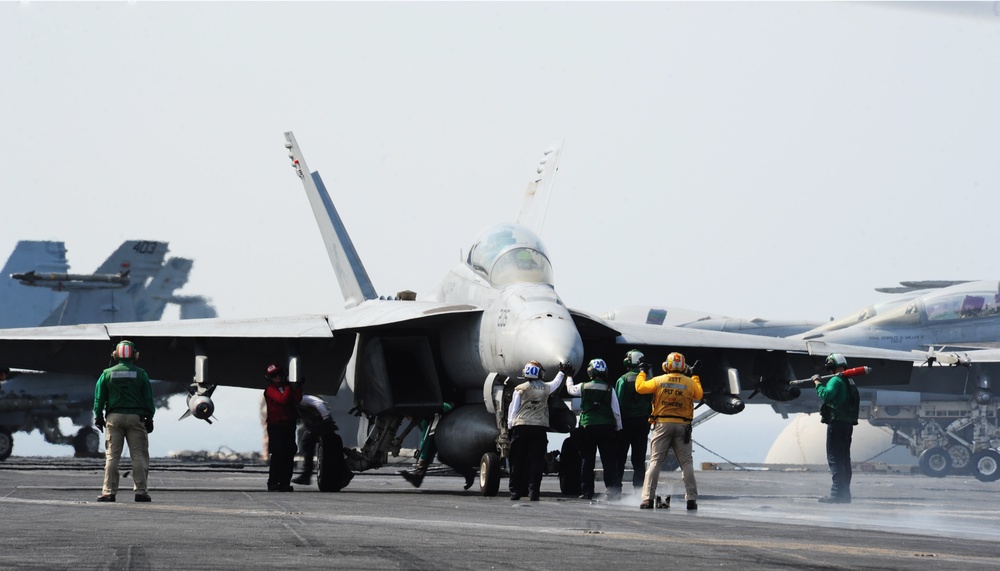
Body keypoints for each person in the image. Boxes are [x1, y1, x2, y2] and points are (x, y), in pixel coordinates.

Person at [635, 351, 703, 511]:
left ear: (667, 365)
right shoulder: (689, 382)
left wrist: (642, 371)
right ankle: (691, 500)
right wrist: (695, 376)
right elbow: (699, 395)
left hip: (662, 425)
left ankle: (647, 499)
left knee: (655, 463)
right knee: (687, 464)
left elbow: (640, 388)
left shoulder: (659, 380)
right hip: (683, 427)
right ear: (683, 366)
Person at [93, 340, 155, 503]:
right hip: (136, 418)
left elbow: (99, 398)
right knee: (138, 455)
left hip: (114, 418)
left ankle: (108, 492)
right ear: (135, 355)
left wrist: (98, 417)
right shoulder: (141, 373)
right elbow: (148, 398)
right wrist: (150, 417)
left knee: (112, 456)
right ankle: (141, 492)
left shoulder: (107, 373)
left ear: (115, 355)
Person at [506, 360, 566, 501]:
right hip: (539, 428)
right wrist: (562, 371)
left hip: (520, 427)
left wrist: (510, 427)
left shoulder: (520, 389)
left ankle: (515, 492)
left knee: (517, 460)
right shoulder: (545, 387)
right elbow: (556, 383)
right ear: (539, 373)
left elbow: (513, 410)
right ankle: (534, 492)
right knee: (536, 462)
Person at [565, 358, 622, 500]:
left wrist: (569, 377)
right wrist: (618, 427)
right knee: (608, 461)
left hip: (587, 428)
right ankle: (611, 491)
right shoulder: (610, 389)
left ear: (590, 371)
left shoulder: (584, 387)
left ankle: (587, 492)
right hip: (606, 428)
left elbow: (570, 390)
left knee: (587, 460)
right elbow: (616, 411)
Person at [814, 353, 860, 504]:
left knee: (834, 458)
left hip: (836, 423)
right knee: (844, 459)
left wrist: (817, 383)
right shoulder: (850, 381)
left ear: (832, 366)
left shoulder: (836, 380)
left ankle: (837, 493)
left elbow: (827, 395)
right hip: (847, 425)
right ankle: (845, 494)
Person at [400, 402, 477, 490]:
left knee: (440, 454)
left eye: (407, 416)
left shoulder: (424, 416)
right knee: (441, 456)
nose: (407, 419)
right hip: (442, 417)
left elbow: (426, 439)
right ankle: (468, 472)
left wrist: (422, 459)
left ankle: (419, 475)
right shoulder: (420, 414)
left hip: (445, 419)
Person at [292, 394, 353, 491]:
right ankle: (345, 471)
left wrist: (326, 418)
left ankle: (306, 476)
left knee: (307, 442)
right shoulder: (299, 402)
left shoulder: (303, 399)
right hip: (319, 423)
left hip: (322, 422)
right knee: (329, 449)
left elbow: (318, 403)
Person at [615, 349, 653, 491]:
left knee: (620, 457)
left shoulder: (623, 379)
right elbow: (652, 401)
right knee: (639, 458)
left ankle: (616, 488)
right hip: (643, 423)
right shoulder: (648, 380)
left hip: (625, 423)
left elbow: (617, 403)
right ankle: (639, 489)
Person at [263, 363, 302, 492]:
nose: (278, 377)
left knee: (289, 454)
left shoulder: (286, 388)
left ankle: (285, 482)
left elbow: (297, 399)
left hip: (288, 425)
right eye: (274, 375)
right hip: (276, 426)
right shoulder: (270, 390)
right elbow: (283, 400)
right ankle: (273, 482)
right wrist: (291, 387)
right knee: (278, 454)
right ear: (270, 378)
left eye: (279, 374)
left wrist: (297, 387)